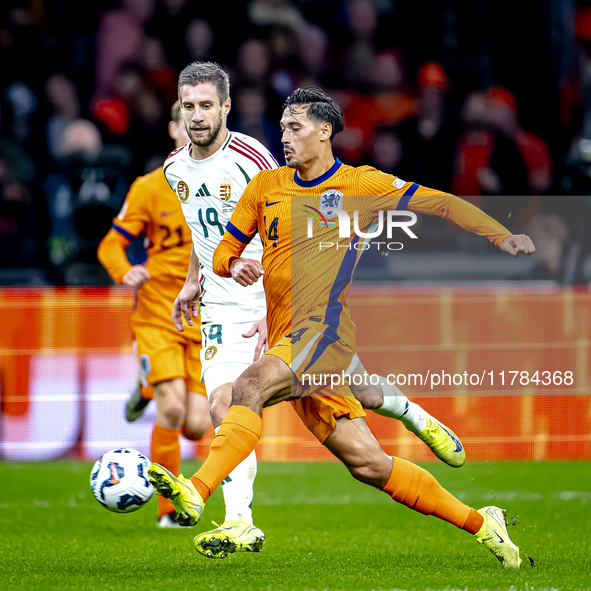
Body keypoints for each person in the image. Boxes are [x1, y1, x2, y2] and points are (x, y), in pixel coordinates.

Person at [148, 87, 535, 567]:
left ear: (325, 131)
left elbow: (441, 204)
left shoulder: (360, 186)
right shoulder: (266, 187)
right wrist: (233, 267)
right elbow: (223, 250)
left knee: (244, 389)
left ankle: (198, 491)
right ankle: (483, 522)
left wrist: (501, 234)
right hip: (289, 335)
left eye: (296, 127)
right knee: (369, 465)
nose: (285, 137)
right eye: (283, 127)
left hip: (322, 335)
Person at [97, 100, 211, 528]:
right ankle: (169, 513)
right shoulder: (148, 187)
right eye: (187, 122)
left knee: (198, 427)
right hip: (157, 314)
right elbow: (109, 244)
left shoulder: (221, 185)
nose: (195, 128)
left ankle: (144, 389)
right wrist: (125, 270)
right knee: (173, 412)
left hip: (202, 318)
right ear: (173, 129)